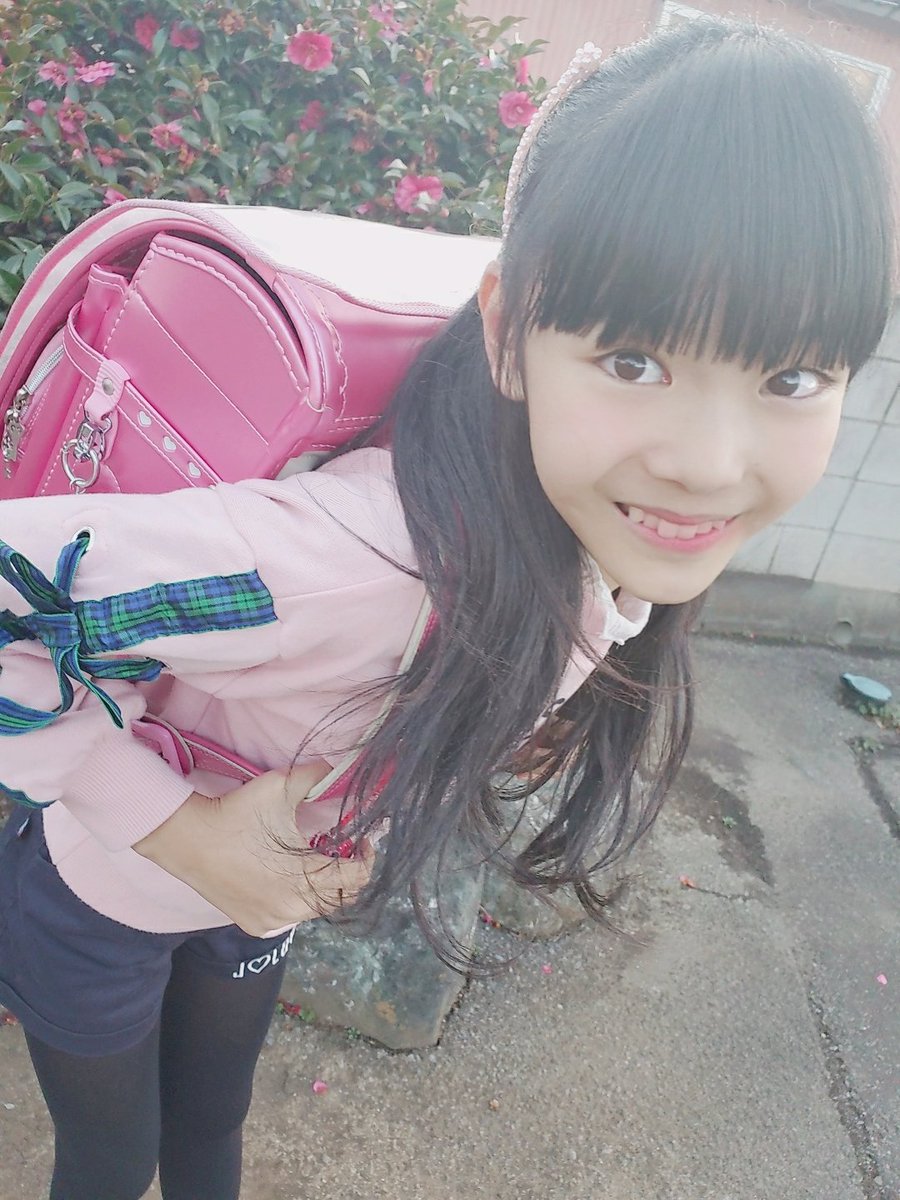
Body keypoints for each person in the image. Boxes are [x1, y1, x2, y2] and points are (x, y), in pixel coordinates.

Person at [0, 16, 894, 1200]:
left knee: (213, 1129)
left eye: (790, 376)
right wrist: (180, 832)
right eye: (634, 361)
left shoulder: (599, 542)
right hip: (104, 897)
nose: (711, 464)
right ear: (509, 334)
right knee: (114, 1161)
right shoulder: (358, 561)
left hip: (247, 904)